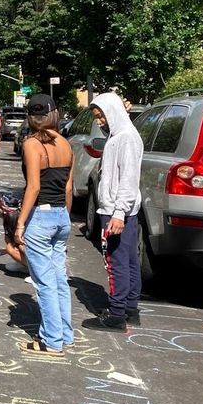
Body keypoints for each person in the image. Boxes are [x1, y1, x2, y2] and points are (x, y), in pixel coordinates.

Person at [14, 94, 74, 356]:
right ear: (55, 114)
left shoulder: (32, 144)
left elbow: (34, 187)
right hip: (61, 214)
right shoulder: (66, 144)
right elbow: (69, 187)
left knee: (45, 282)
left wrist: (20, 222)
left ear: (30, 117)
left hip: (41, 215)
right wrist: (65, 216)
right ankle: (64, 334)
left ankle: (51, 341)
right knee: (60, 278)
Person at [82, 92, 144, 332]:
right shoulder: (120, 136)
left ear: (112, 113)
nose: (100, 122)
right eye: (98, 117)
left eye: (102, 116)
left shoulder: (126, 138)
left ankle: (116, 313)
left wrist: (118, 213)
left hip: (118, 210)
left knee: (116, 262)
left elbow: (128, 179)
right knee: (128, 260)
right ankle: (130, 308)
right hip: (122, 209)